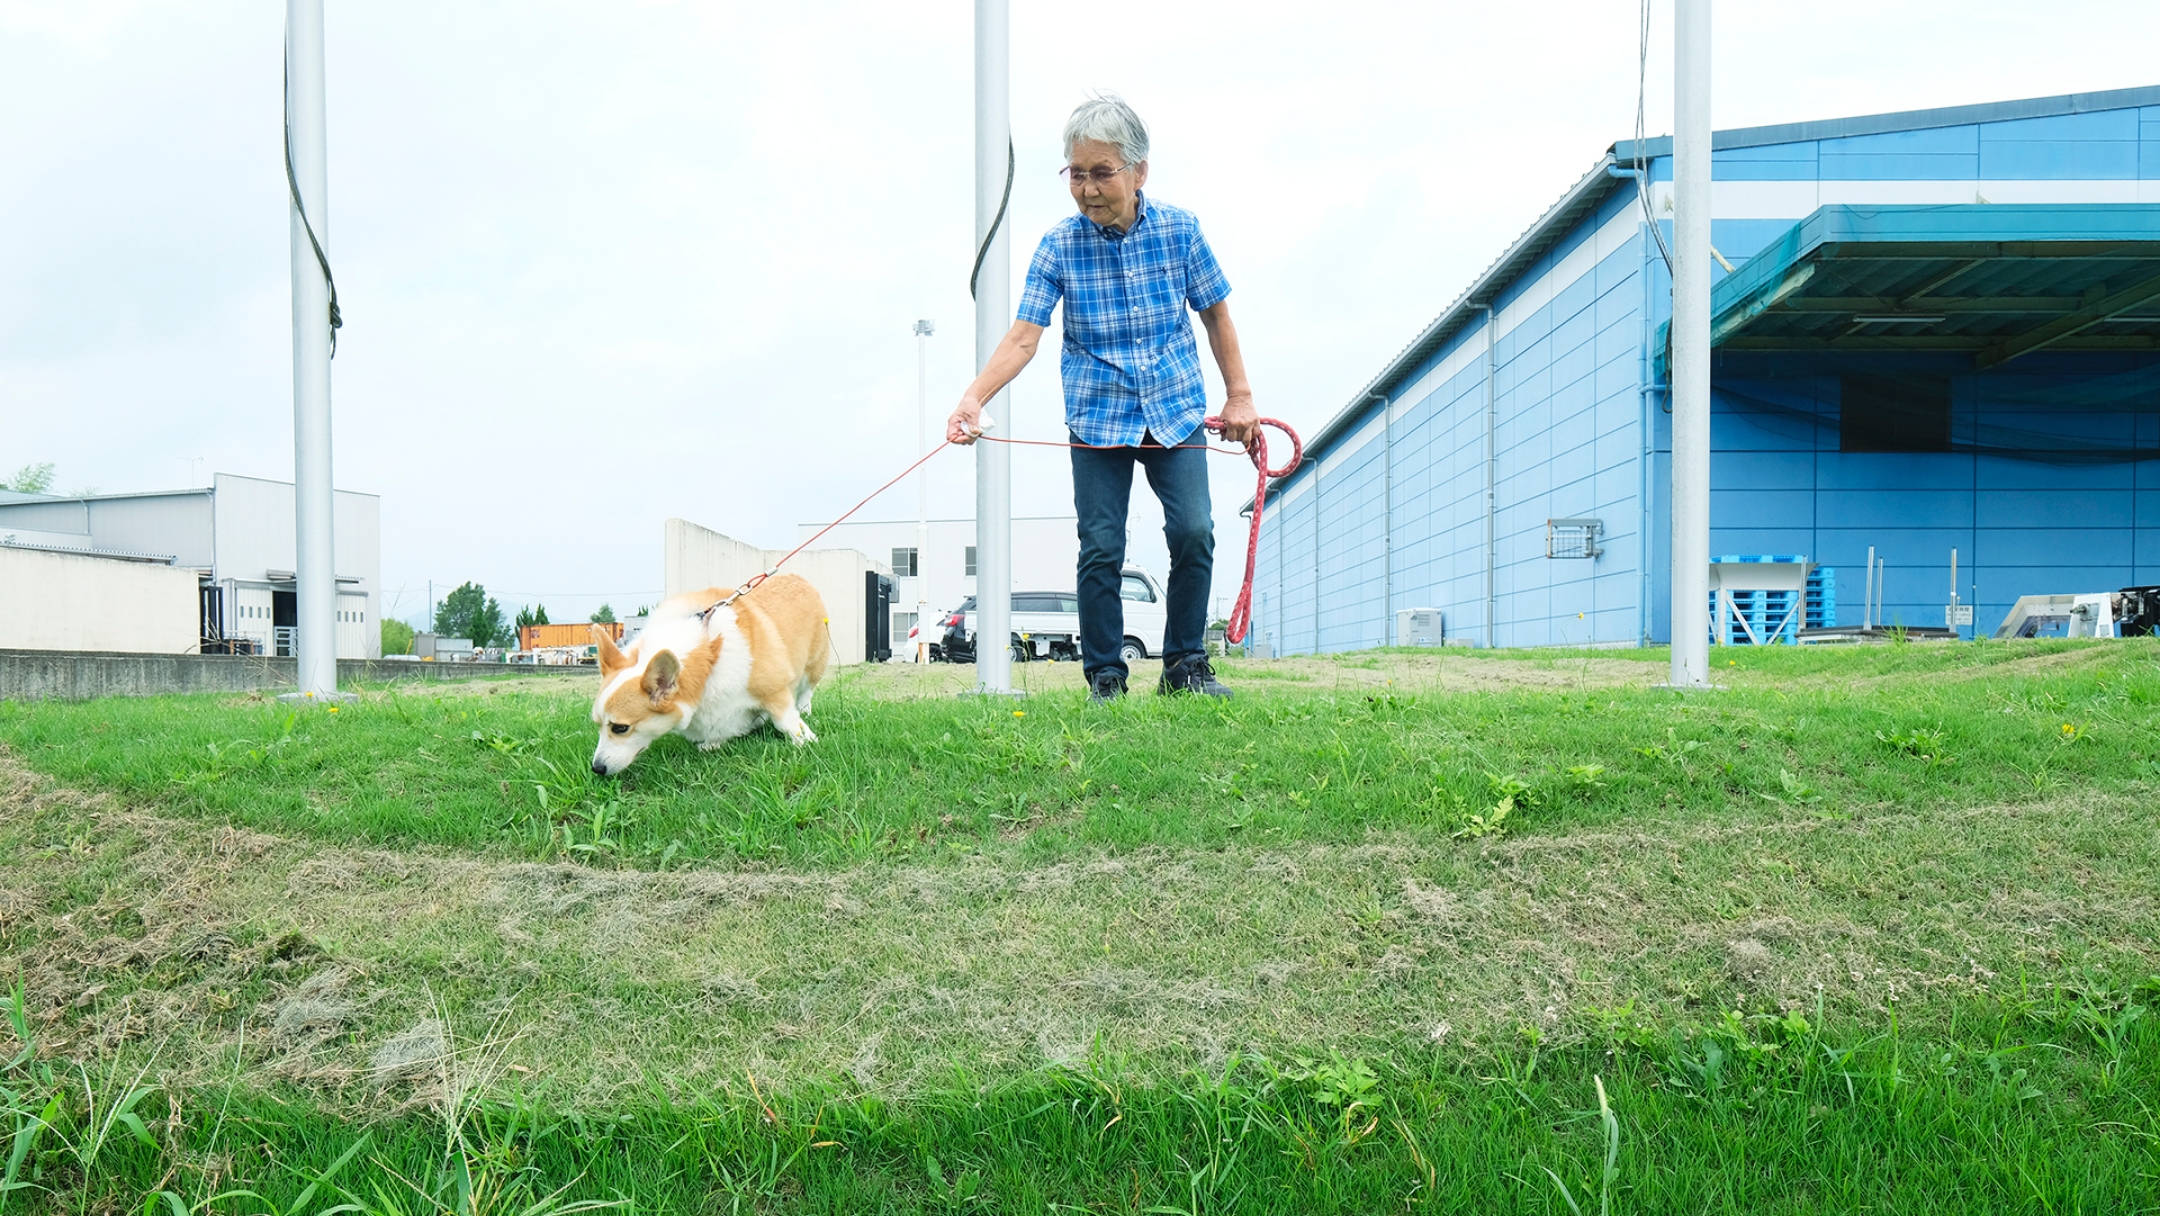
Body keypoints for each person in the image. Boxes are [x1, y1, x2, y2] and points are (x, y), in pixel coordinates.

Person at [948, 94, 1256, 703]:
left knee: (1195, 531)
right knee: (1101, 546)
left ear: (1139, 171)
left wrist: (1240, 395)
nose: (1088, 189)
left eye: (1101, 172)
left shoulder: (1180, 231)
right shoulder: (1059, 245)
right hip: (1097, 415)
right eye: (1076, 174)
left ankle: (1186, 667)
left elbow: (1216, 314)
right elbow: (1023, 336)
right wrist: (973, 397)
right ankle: (1106, 678)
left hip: (1174, 407)